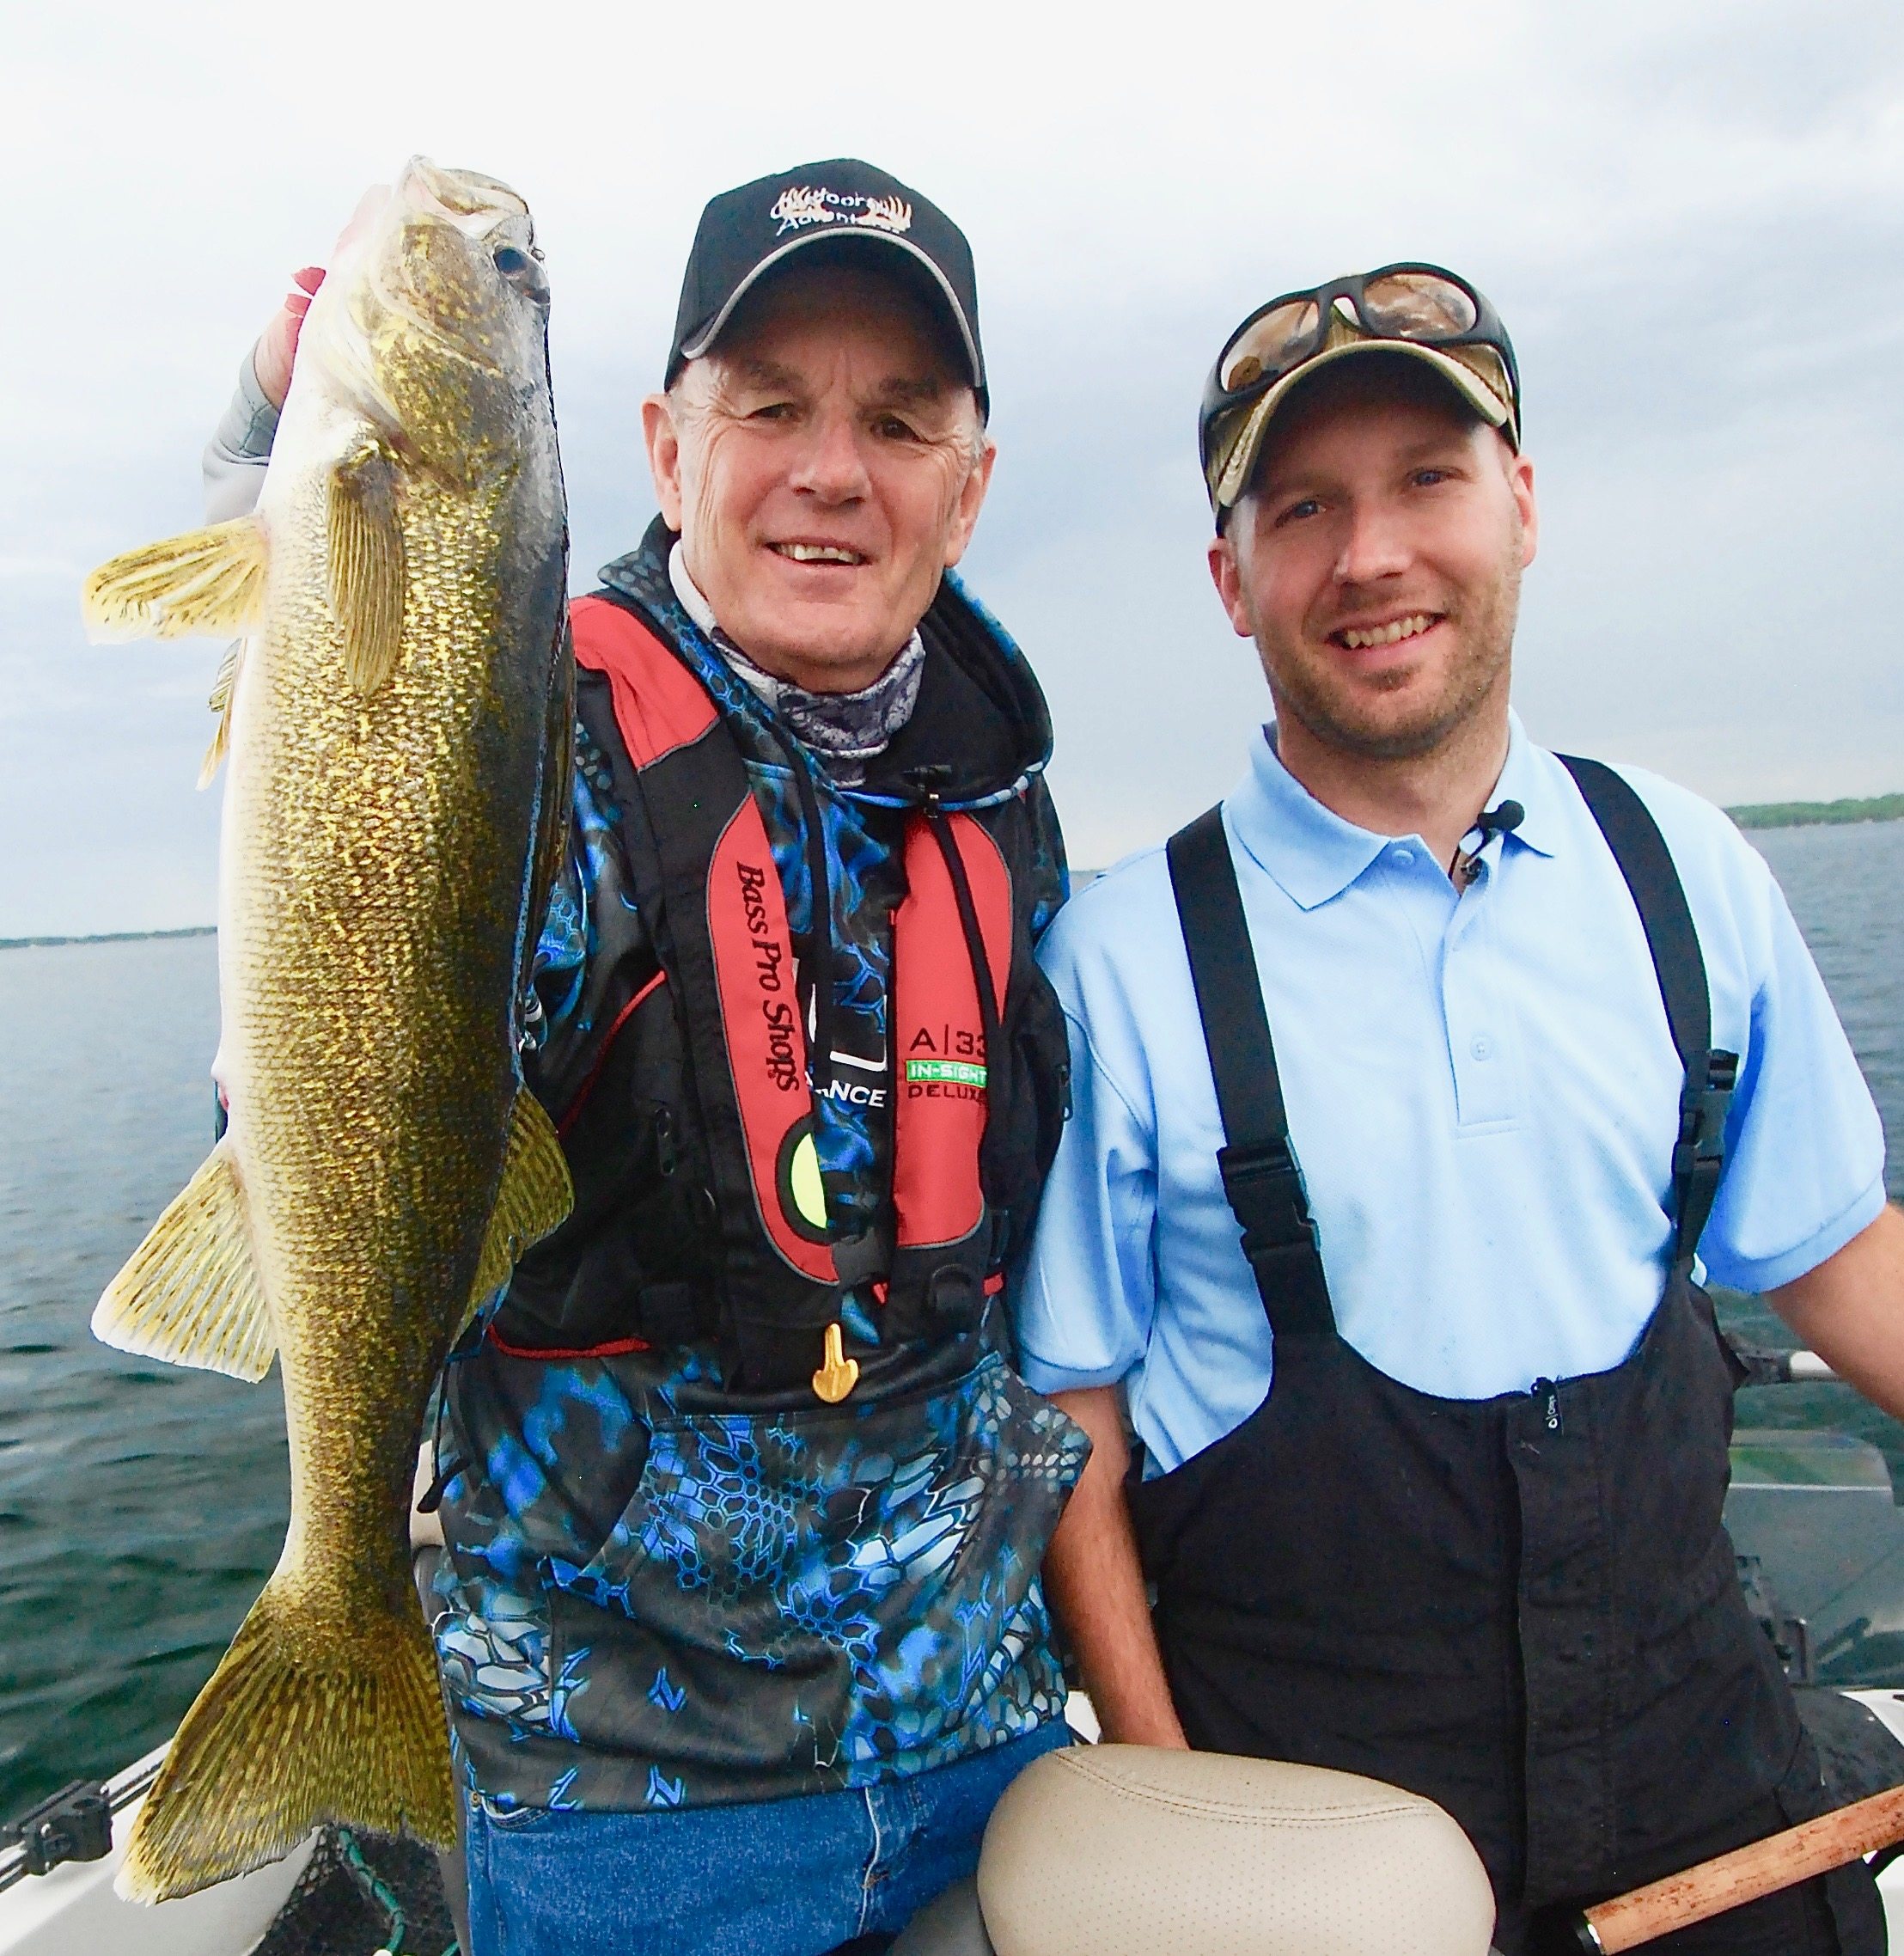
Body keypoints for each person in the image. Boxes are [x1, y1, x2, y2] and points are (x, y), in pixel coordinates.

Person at [209, 159, 1086, 1956]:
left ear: (969, 487)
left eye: (897, 421)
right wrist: (262, 446)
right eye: (768, 407)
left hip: (989, 1753)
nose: (831, 468)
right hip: (622, 1806)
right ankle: (337, 1637)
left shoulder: (1004, 800)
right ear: (663, 450)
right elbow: (345, 806)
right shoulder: (538, 742)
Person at [1013, 264, 1904, 1954]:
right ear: (1230, 578)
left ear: (1523, 507)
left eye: (1428, 478)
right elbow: (1075, 1428)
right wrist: (1169, 1804)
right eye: (1303, 507)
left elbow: (1841, 1254)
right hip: (1317, 1837)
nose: (1372, 556)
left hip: (1707, 1781)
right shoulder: (1119, 967)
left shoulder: (1684, 871)